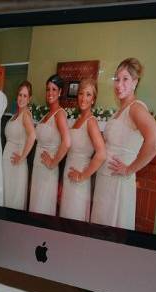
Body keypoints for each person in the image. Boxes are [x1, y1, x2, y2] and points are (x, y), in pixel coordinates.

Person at [91, 58, 156, 229]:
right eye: (117, 79)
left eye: (125, 79)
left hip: (118, 184)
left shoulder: (136, 108)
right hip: (105, 182)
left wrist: (129, 169)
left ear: (135, 82)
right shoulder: (120, 110)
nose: (119, 84)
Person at [59, 78, 106, 221]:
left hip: (79, 180)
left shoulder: (91, 122)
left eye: (88, 94)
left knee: (74, 220)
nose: (83, 98)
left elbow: (102, 154)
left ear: (93, 99)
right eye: (80, 93)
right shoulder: (78, 120)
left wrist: (82, 176)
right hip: (69, 175)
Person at [29, 74, 71, 216]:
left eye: (54, 89)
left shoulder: (59, 114)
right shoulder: (46, 115)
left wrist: (53, 163)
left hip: (48, 171)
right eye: (48, 89)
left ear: (60, 92)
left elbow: (67, 142)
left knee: (43, 207)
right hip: (38, 168)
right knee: (35, 205)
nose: (50, 93)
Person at [2, 80, 36, 210]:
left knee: (13, 201)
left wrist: (22, 157)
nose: (21, 98)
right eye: (20, 95)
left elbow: (32, 136)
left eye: (25, 96)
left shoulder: (25, 115)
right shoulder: (15, 115)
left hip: (16, 165)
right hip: (8, 163)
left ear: (29, 98)